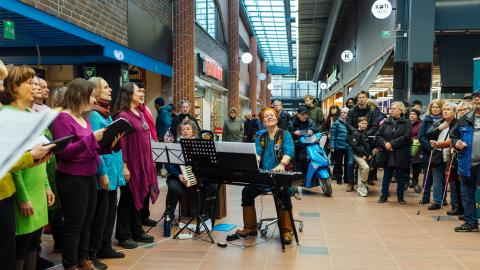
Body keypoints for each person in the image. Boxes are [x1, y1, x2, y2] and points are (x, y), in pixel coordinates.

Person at [0, 65, 55, 270]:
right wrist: (23, 196)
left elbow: (37, 154)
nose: (35, 87)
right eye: (29, 83)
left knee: (33, 242)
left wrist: (47, 185)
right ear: (14, 87)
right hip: (18, 188)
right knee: (18, 247)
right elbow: (11, 160)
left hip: (35, 184)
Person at [50, 78, 108, 270]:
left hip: (89, 174)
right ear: (78, 95)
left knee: (87, 221)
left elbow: (89, 148)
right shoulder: (62, 119)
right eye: (90, 95)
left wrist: (105, 144)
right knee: (74, 223)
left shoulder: (84, 118)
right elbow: (64, 152)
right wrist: (92, 139)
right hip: (72, 177)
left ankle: (83, 259)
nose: (93, 99)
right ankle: (70, 263)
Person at [233, 107, 295, 244]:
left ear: (276, 118)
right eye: (266, 117)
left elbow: (289, 152)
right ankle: (250, 228)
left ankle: (286, 230)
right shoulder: (261, 137)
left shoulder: (285, 135)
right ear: (263, 121)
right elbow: (257, 155)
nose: (269, 118)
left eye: (272, 115)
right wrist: (254, 161)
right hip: (264, 177)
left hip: (280, 176)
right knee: (247, 191)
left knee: (282, 193)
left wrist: (281, 165)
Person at [113, 83, 159, 249]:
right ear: (128, 94)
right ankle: (123, 235)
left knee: (137, 199)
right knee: (127, 199)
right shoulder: (122, 116)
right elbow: (122, 143)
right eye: (138, 91)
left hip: (143, 163)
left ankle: (137, 230)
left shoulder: (139, 113)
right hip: (131, 164)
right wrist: (124, 166)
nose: (142, 93)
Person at [87, 77, 126, 269]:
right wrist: (102, 172)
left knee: (110, 211)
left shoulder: (106, 112)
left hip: (113, 169)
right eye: (105, 86)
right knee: (100, 214)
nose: (110, 89)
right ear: (94, 92)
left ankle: (105, 246)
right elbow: (96, 147)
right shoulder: (94, 115)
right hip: (103, 171)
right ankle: (92, 252)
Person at [163, 120, 218, 225]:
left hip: (195, 176)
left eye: (188, 129)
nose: (185, 131)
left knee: (213, 185)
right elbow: (168, 164)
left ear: (193, 131)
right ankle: (169, 214)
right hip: (178, 176)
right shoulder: (175, 144)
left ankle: (205, 215)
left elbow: (207, 162)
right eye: (183, 130)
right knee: (174, 187)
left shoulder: (200, 144)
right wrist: (178, 175)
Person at [450, 92, 480, 232]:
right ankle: (471, 222)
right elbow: (453, 136)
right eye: (475, 97)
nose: (477, 99)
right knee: (467, 194)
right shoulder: (465, 118)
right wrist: (457, 143)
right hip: (467, 163)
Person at [376, 102, 412, 204]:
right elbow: (378, 136)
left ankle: (400, 197)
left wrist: (391, 144)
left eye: (394, 109)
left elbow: (406, 136)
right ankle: (384, 196)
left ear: (400, 111)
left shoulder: (406, 123)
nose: (391, 110)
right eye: (391, 108)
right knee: (386, 175)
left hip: (400, 153)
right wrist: (385, 144)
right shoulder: (386, 122)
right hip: (388, 153)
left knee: (400, 176)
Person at [426, 102, 457, 211]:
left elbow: (454, 140)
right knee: (437, 180)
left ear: (454, 112)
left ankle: (455, 204)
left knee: (452, 181)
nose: (445, 111)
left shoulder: (457, 123)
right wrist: (440, 128)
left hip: (452, 154)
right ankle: (437, 201)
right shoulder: (439, 122)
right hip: (438, 154)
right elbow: (428, 135)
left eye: (448, 109)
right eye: (444, 109)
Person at [418, 99, 444, 204]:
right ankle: (425, 196)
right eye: (433, 107)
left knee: (440, 176)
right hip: (428, 151)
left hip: (441, 151)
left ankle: (441, 198)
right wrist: (429, 147)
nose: (435, 109)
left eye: (437, 107)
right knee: (427, 175)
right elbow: (421, 136)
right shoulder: (426, 120)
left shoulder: (445, 120)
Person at [290, 106, 317, 173]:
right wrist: (295, 133)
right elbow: (289, 133)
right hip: (296, 145)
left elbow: (315, 130)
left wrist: (302, 132)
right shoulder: (292, 122)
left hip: (308, 145)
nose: (304, 116)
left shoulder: (310, 121)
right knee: (297, 161)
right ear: (298, 114)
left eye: (306, 114)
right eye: (302, 114)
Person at [349, 117, 371, 197]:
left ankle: (360, 189)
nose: (364, 125)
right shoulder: (355, 133)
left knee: (361, 170)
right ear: (358, 123)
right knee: (366, 168)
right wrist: (362, 155)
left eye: (365, 123)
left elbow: (367, 146)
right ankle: (363, 183)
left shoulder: (365, 133)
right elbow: (355, 146)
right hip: (358, 155)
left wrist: (369, 154)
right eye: (362, 123)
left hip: (365, 155)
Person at [330, 107, 352, 186]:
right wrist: (332, 146)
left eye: (345, 113)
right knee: (338, 163)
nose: (343, 114)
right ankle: (338, 178)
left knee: (347, 163)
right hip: (338, 146)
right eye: (342, 112)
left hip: (348, 146)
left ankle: (346, 178)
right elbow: (333, 135)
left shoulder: (350, 122)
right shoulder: (336, 123)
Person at [409, 108, 423, 193]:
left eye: (414, 114)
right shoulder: (407, 123)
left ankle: (415, 182)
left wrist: (410, 138)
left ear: (417, 116)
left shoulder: (420, 124)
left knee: (415, 166)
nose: (412, 115)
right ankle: (407, 182)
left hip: (416, 147)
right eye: (410, 114)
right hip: (407, 146)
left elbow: (420, 135)